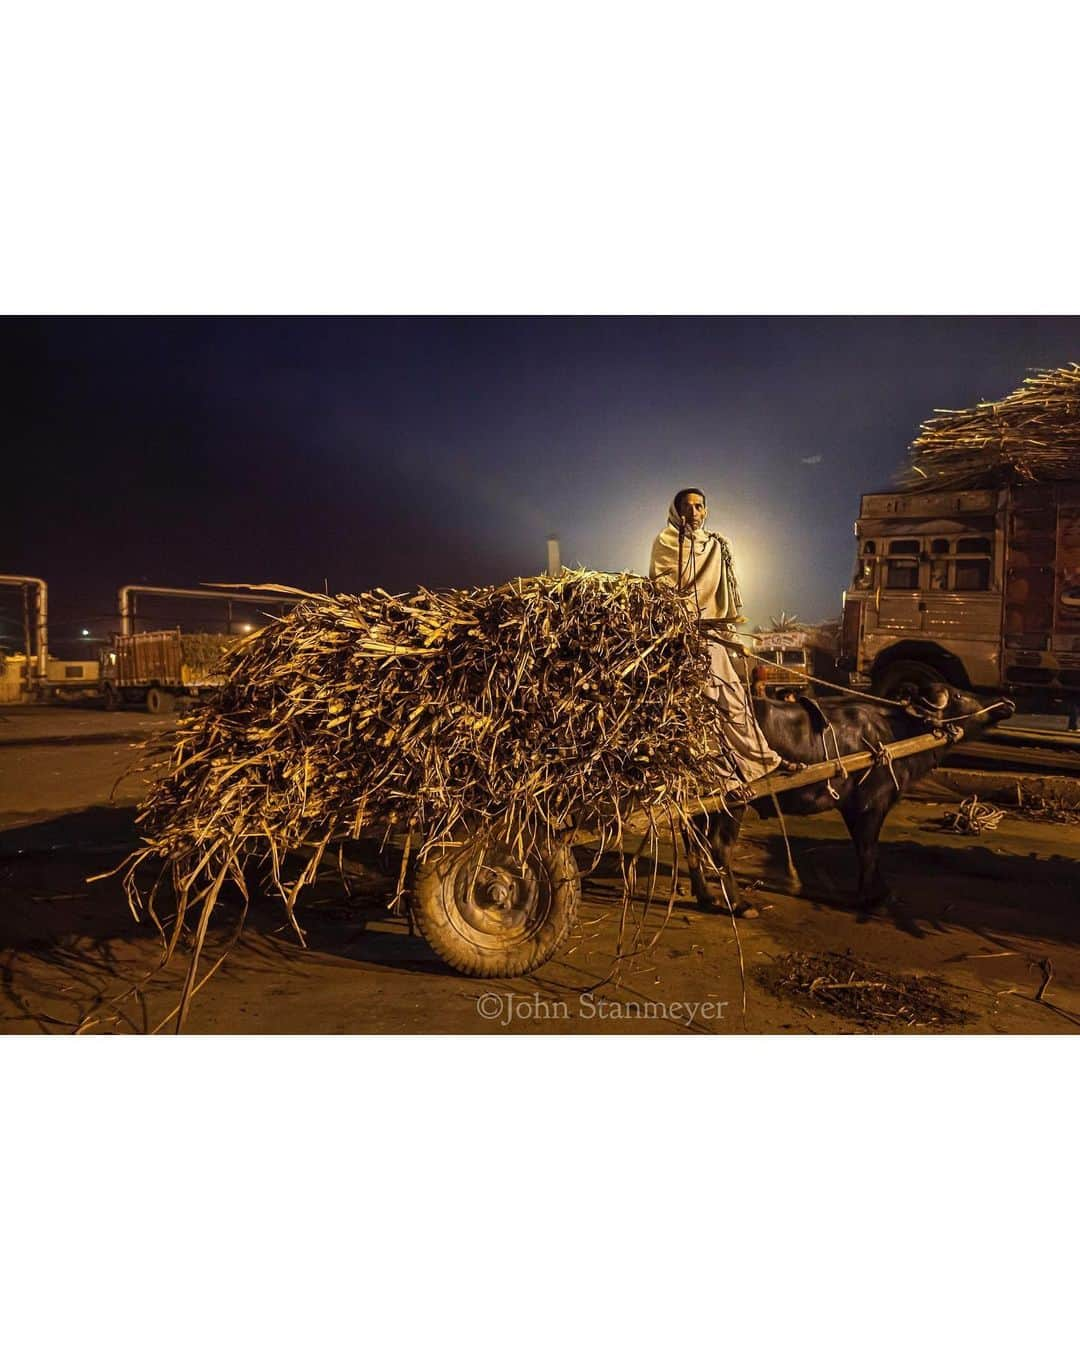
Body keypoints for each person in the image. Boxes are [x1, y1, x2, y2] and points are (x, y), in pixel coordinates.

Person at [649, 487, 784, 789]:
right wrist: (680, 623)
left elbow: (723, 599)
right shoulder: (665, 542)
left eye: (699, 507)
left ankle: (758, 761)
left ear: (706, 511)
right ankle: (718, 777)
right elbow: (660, 589)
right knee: (699, 708)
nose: (693, 513)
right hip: (679, 640)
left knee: (733, 702)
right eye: (687, 507)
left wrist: (731, 638)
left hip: (712, 639)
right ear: (676, 510)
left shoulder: (716, 546)